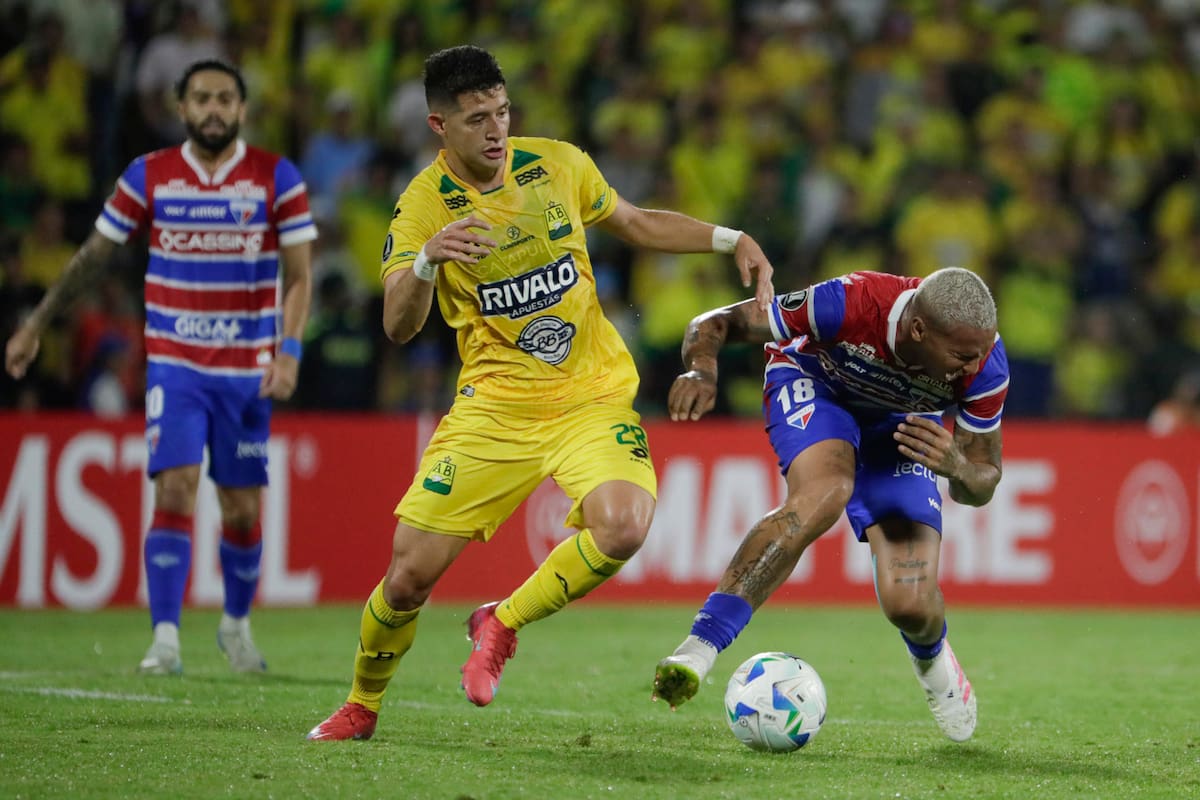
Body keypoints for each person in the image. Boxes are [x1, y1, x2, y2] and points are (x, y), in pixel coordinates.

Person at [306, 44, 774, 742]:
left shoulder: (557, 163)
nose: (496, 131)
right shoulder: (421, 209)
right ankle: (361, 705)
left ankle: (502, 622)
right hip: (496, 407)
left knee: (624, 525)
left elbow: (637, 221)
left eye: (502, 113)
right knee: (407, 577)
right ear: (439, 125)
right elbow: (398, 326)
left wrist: (729, 238)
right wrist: (429, 261)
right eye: (476, 120)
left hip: (590, 395)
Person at [4, 59, 316, 675]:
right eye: (201, 98)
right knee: (174, 488)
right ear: (181, 108)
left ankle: (235, 626)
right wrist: (37, 323)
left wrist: (289, 352)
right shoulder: (149, 176)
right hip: (175, 363)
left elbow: (301, 277)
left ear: (243, 108)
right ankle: (166, 640)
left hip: (248, 368)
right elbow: (94, 257)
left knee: (242, 509)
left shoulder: (275, 177)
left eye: (225, 98)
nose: (213, 109)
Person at [651, 267, 1008, 743]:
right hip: (817, 386)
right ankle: (697, 649)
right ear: (919, 329)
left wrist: (958, 466)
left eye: (981, 353)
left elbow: (979, 486)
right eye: (963, 355)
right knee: (826, 491)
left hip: (902, 424)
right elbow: (714, 323)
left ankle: (935, 664)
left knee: (909, 604)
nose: (974, 366)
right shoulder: (849, 302)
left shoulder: (986, 366)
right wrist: (702, 368)